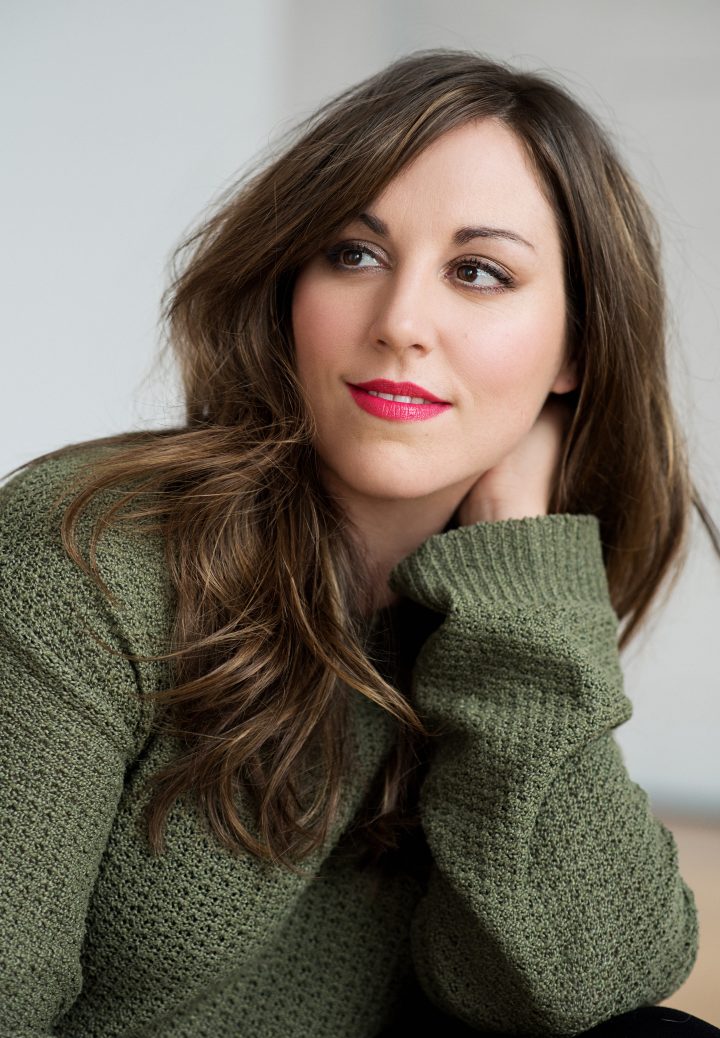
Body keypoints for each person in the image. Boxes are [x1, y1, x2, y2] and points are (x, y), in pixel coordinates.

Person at [0, 47, 718, 1038]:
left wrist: (520, 559)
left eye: (479, 272)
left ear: (577, 348)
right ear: (289, 286)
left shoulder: (492, 609)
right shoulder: (85, 552)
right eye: (354, 254)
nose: (401, 322)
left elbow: (584, 982)